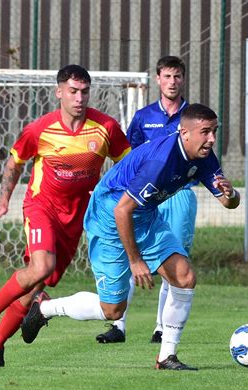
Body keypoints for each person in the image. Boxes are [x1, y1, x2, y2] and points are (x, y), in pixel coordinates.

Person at [21, 103, 240, 370]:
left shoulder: (205, 156)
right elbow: (122, 210)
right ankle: (45, 308)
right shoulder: (161, 161)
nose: (212, 139)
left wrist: (232, 195)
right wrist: (135, 261)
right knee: (112, 310)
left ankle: (166, 356)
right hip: (110, 214)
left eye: (214, 131)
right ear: (184, 132)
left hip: (143, 214)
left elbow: (229, 203)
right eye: (205, 132)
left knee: (184, 277)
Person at [0, 64, 131, 367]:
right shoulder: (40, 129)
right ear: (59, 93)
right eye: (72, 91)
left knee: (36, 286)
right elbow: (15, 163)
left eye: (84, 91)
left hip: (77, 215)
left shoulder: (105, 128)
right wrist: (3, 201)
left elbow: (128, 165)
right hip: (42, 206)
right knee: (41, 267)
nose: (79, 98)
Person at [96, 55, 195, 344]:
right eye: (167, 76)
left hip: (177, 195)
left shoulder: (193, 118)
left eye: (177, 76)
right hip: (141, 195)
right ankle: (118, 326)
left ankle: (162, 327)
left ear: (183, 79)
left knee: (173, 261)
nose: (172, 82)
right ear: (157, 80)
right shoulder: (143, 116)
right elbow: (129, 158)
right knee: (129, 253)